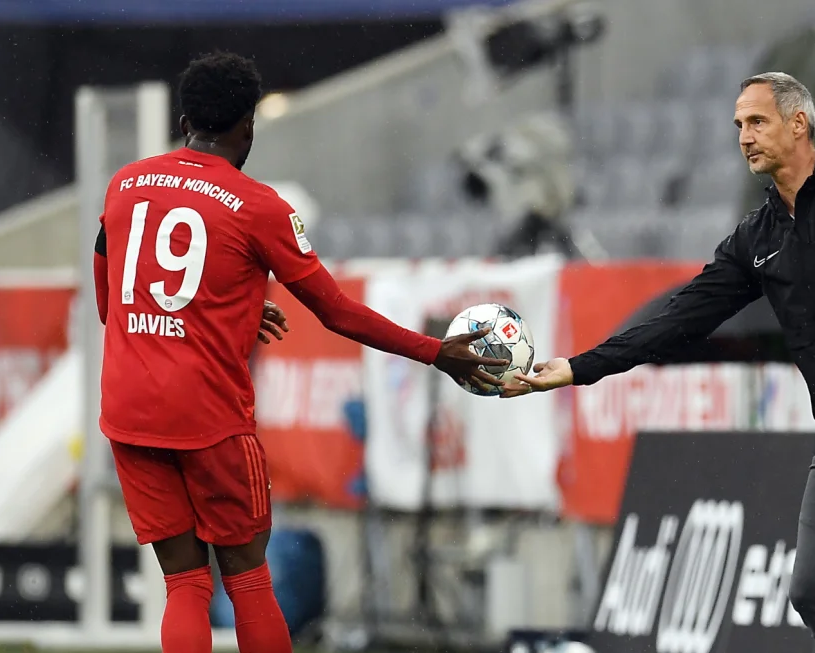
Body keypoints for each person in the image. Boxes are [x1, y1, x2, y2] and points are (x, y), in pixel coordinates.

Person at [504, 72, 815, 652]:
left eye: (757, 121)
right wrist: (580, 367)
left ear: (798, 123)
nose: (744, 136)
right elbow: (680, 318)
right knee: (813, 591)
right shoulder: (757, 236)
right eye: (738, 125)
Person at [91, 52, 506, 653]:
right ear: (248, 127)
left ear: (184, 118)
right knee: (248, 580)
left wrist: (222, 305)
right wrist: (435, 351)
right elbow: (336, 312)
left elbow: (115, 306)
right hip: (206, 419)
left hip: (129, 414)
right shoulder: (261, 207)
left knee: (184, 582)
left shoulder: (124, 183)